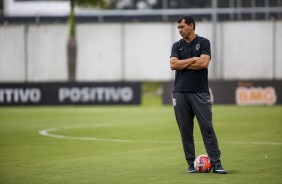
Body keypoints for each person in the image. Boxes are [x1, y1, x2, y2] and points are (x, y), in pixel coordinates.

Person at [170, 15, 227, 174]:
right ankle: (190, 164)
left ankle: (216, 164)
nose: (180, 30)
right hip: (180, 92)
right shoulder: (176, 46)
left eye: (182, 27)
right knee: (185, 130)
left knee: (207, 128)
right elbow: (173, 64)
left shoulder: (204, 42)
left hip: (200, 92)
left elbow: (203, 63)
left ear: (191, 26)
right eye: (178, 28)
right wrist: (193, 59)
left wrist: (185, 63)